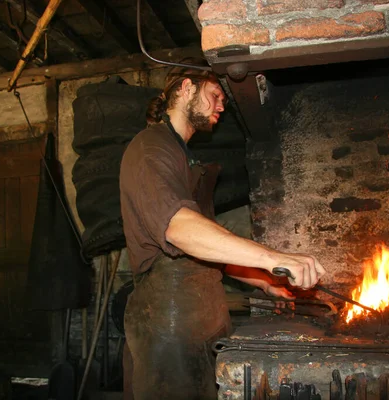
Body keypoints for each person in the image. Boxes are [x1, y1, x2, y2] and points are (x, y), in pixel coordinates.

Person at [119, 62, 326, 400]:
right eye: (215, 95)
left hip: (202, 316)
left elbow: (207, 248)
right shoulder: (151, 149)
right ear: (186, 88)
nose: (221, 107)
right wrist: (273, 258)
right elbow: (179, 230)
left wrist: (264, 280)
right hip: (169, 324)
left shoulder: (184, 157)